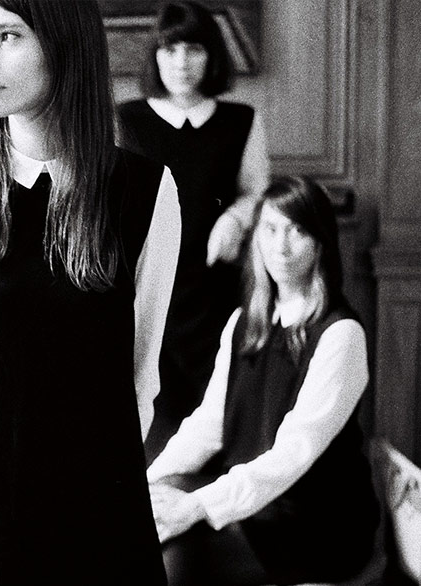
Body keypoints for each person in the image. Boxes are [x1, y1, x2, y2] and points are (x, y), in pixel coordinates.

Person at [0, 0, 181, 584]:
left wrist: (97, 484)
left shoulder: (146, 191)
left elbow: (140, 376)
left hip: (98, 525)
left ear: (63, 43)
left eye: (8, 36)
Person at [146, 176, 379, 585]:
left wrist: (197, 505)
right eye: (270, 230)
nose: (281, 247)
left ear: (320, 243)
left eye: (297, 231)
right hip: (256, 505)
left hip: (316, 523)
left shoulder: (341, 334)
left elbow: (293, 456)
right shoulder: (243, 324)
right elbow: (209, 425)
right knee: (153, 518)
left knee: (173, 556)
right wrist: (148, 482)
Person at [116, 0, 271, 457]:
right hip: (148, 291)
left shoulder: (241, 120)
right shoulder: (128, 119)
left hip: (214, 292)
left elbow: (256, 192)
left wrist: (236, 217)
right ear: (155, 56)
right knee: (150, 431)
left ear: (212, 56)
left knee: (217, 425)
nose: (181, 62)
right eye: (170, 49)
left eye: (194, 49)